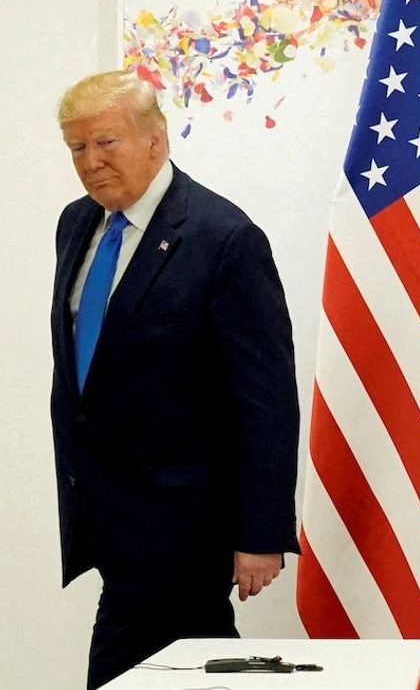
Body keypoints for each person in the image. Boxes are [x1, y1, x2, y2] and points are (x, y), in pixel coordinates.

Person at [51, 70, 300, 689]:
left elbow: (265, 399)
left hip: (187, 518)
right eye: (78, 148)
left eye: (106, 142)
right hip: (110, 513)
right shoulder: (76, 225)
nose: (91, 162)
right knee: (192, 670)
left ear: (155, 140)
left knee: (129, 671)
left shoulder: (224, 239)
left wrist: (260, 533)